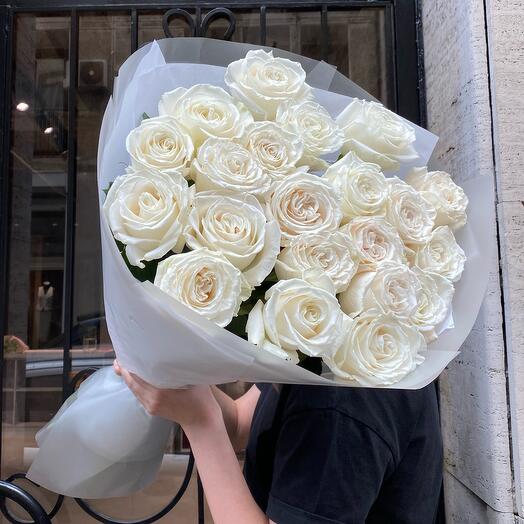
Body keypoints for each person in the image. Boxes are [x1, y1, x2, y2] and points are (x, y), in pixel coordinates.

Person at [114, 360, 443, 524]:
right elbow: (241, 422)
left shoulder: (341, 400)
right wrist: (181, 387)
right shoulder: (315, 355)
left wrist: (199, 422)